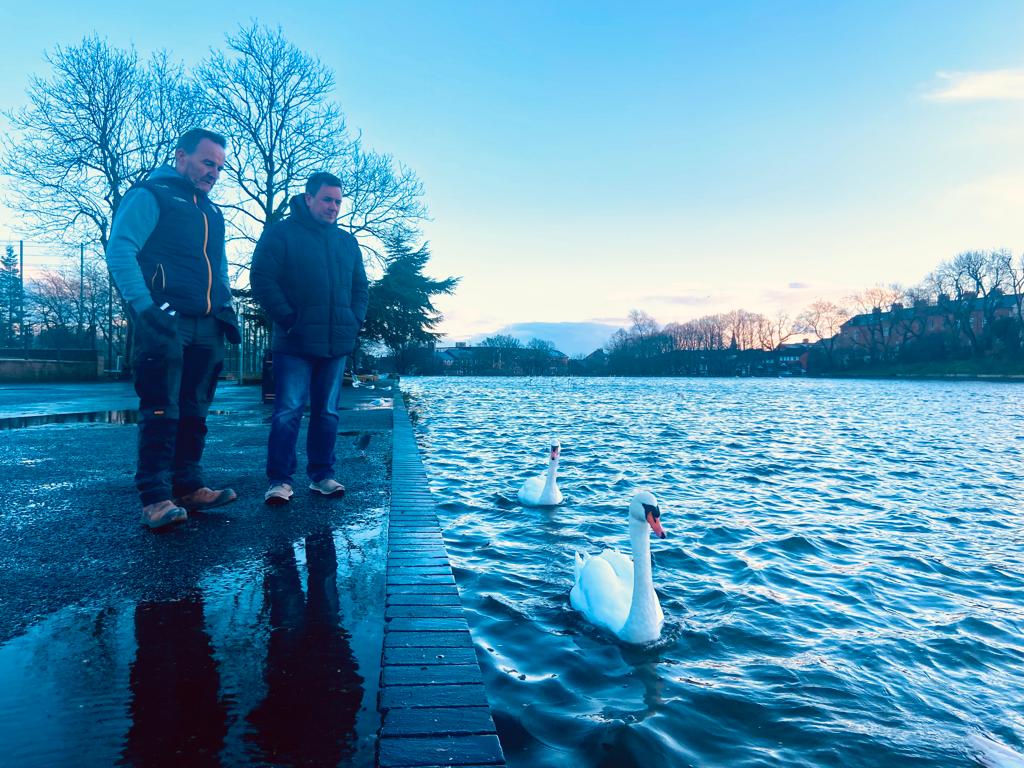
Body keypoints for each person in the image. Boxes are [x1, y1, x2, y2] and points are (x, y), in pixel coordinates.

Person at [106, 128, 241, 529]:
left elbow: (219, 266)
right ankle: (155, 498)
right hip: (165, 321)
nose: (214, 172)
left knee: (195, 409)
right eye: (207, 162)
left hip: (207, 324)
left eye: (219, 166)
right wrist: (145, 309)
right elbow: (120, 249)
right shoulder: (152, 195)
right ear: (181, 156)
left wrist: (226, 307)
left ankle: (189, 486)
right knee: (162, 407)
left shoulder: (212, 212)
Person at [250, 172, 368, 505]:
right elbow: (261, 279)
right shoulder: (280, 234)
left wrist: (353, 320)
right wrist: (289, 319)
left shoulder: (347, 242)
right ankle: (279, 481)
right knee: (288, 411)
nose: (334, 207)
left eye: (338, 201)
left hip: (336, 342)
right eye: (328, 199)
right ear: (308, 198)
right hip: (295, 341)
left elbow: (360, 287)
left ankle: (322, 475)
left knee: (328, 412)